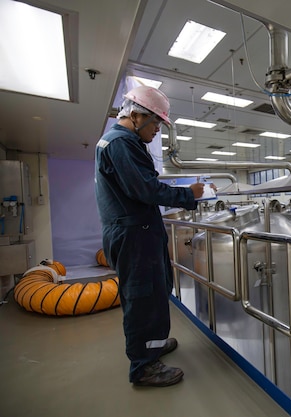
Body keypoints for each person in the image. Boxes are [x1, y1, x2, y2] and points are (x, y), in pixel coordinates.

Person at [95, 85, 204, 387]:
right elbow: (145, 190)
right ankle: (143, 367)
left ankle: (153, 346)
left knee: (154, 293)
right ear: (136, 114)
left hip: (138, 233)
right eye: (156, 122)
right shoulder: (120, 144)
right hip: (133, 237)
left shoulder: (123, 143)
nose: (157, 129)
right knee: (142, 298)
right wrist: (190, 195)